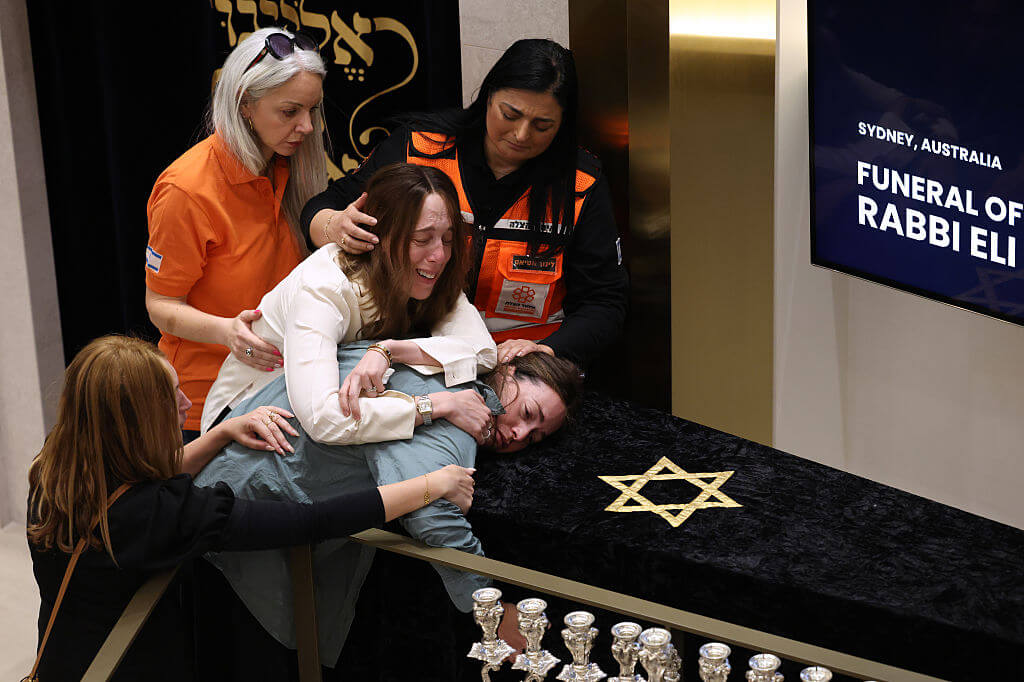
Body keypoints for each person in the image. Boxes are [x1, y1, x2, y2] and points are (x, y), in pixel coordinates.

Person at [25, 335, 476, 681]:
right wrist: (427, 486)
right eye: (172, 398)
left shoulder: (56, 463)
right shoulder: (163, 514)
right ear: (135, 422)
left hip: (62, 658)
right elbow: (309, 521)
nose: (186, 405)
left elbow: (134, 482)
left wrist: (221, 433)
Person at [195, 342, 583, 672]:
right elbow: (431, 514)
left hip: (213, 479)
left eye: (533, 438)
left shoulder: (439, 351)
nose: (518, 434)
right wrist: (490, 609)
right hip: (237, 532)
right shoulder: (461, 416)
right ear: (508, 370)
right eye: (528, 414)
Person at [300, 38, 629, 369]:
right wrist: (334, 226)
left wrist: (549, 351)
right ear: (488, 97)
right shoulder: (419, 148)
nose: (521, 134)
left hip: (522, 366)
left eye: (542, 125)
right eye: (510, 114)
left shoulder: (581, 183)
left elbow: (605, 302)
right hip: (408, 353)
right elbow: (324, 205)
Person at [200, 162, 497, 448]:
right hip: (241, 423)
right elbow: (323, 419)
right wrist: (435, 406)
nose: (439, 256)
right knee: (419, 394)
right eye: (422, 239)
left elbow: (483, 352)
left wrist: (389, 351)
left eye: (447, 239)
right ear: (378, 236)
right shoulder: (323, 285)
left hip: (309, 418)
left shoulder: (431, 274)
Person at [145, 28, 328, 440]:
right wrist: (228, 332)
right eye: (290, 112)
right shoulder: (186, 190)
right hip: (202, 406)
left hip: (279, 391)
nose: (308, 126)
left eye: (312, 110)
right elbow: (160, 305)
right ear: (245, 104)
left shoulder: (286, 166)